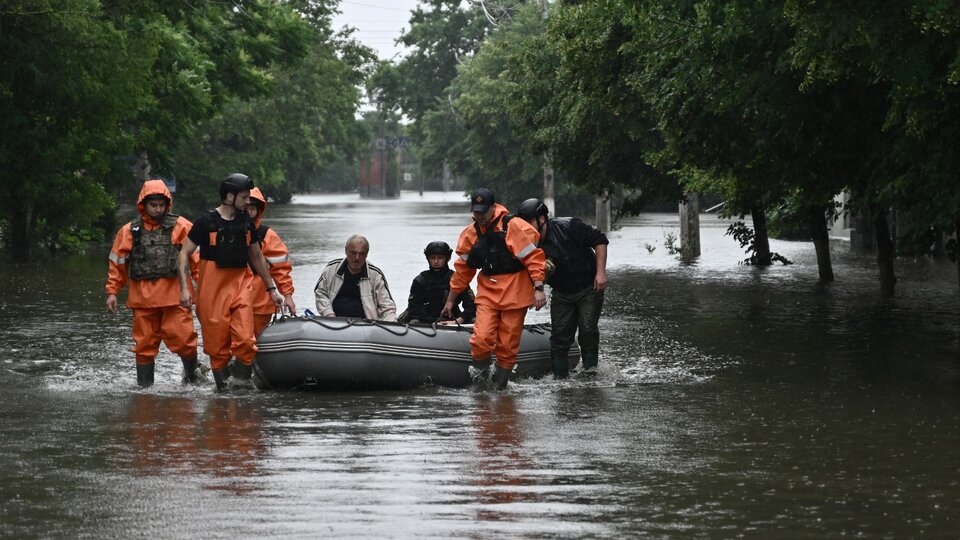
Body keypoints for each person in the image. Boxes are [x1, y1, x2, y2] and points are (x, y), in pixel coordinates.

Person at [178, 173, 284, 391]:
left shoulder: (246, 222)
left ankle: (242, 386)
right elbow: (183, 253)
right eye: (244, 197)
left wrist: (272, 289)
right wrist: (184, 289)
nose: (248, 202)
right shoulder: (205, 222)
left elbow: (256, 257)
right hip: (212, 290)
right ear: (229, 197)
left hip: (240, 286)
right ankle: (224, 395)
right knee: (217, 350)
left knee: (246, 340)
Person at [441, 188, 546, 390]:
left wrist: (539, 288)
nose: (478, 215)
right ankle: (481, 384)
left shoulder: (513, 226)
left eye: (482, 211)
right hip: (489, 292)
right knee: (481, 340)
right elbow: (463, 270)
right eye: (475, 211)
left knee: (507, 347)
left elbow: (534, 259)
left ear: (493, 207)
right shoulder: (471, 234)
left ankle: (499, 388)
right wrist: (451, 299)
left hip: (516, 293)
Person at [105, 179, 200, 387]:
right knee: (144, 345)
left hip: (176, 297)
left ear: (168, 204)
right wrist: (112, 291)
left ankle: (193, 375)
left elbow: (198, 261)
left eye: (161, 205)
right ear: (143, 205)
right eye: (153, 205)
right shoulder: (129, 231)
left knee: (184, 339)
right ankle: (145, 388)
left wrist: (205, 289)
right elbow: (118, 263)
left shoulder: (182, 226)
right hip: (142, 300)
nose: (158, 209)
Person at [516, 197, 608, 378]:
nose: (525, 228)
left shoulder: (569, 226)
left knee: (587, 330)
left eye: (529, 223)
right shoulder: (527, 244)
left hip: (588, 287)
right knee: (559, 338)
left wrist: (601, 273)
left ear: (541, 219)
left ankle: (591, 374)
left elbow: (600, 240)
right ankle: (560, 380)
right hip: (561, 292)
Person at [245, 187, 296, 335]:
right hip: (232, 299)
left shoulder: (267, 235)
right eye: (245, 208)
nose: (248, 212)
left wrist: (287, 295)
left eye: (252, 208)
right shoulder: (226, 233)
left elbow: (281, 268)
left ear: (259, 211)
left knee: (251, 344)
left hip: (260, 302)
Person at [313, 235, 397, 321]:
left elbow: (388, 308)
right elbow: (320, 293)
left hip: (366, 326)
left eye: (361, 254)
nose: (357, 258)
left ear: (367, 254)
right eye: (353, 253)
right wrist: (329, 314)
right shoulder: (331, 269)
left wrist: (388, 328)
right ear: (346, 251)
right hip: (334, 323)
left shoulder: (376, 275)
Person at [405, 241, 476, 324]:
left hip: (453, 321)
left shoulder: (457, 280)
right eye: (432, 258)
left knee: (475, 319)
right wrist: (434, 321)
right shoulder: (421, 280)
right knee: (414, 322)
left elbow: (471, 306)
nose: (436, 262)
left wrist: (459, 320)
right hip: (426, 322)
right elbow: (414, 308)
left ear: (448, 258)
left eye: (440, 258)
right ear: (428, 258)